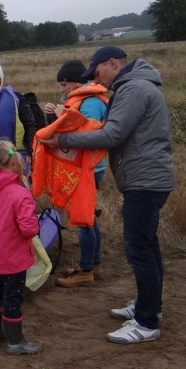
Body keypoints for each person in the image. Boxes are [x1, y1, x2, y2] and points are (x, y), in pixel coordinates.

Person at [39, 45, 176, 344]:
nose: (96, 80)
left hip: (145, 181)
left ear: (113, 63)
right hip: (147, 179)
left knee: (139, 250)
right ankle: (148, 307)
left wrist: (61, 139)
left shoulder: (133, 89)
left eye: (97, 72)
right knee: (148, 247)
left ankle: (147, 322)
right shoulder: (136, 86)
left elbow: (111, 134)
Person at [43, 60, 109, 287]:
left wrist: (65, 115)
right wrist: (56, 114)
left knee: (84, 220)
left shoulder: (90, 102)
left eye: (64, 84)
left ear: (76, 82)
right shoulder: (77, 100)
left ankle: (86, 270)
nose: (62, 89)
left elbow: (87, 133)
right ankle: (95, 264)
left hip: (87, 167)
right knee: (89, 218)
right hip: (84, 166)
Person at [0, 139, 42, 355]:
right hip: (14, 258)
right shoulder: (19, 193)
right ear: (14, 163)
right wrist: (35, 225)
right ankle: (15, 341)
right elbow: (28, 229)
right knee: (13, 297)